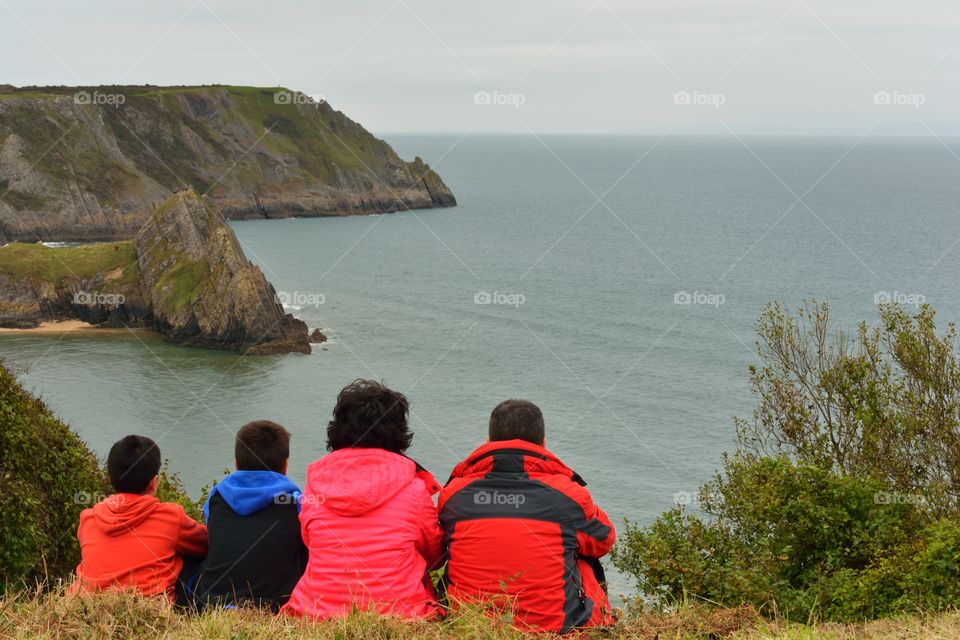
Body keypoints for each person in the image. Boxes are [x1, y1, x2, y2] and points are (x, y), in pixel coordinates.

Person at [438, 399, 616, 634]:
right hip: (555, 629)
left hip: (469, 625)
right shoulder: (569, 494)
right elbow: (603, 540)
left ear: (488, 442)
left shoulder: (453, 494)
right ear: (543, 444)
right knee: (583, 555)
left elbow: (437, 548)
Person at [282, 380, 443, 619]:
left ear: (337, 430)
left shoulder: (315, 486)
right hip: (400, 614)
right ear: (398, 432)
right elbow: (435, 556)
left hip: (316, 612)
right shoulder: (414, 489)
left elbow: (310, 541)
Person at [71, 435, 208, 602]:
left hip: (87, 606)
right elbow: (207, 543)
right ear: (154, 482)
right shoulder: (171, 517)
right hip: (150, 610)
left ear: (109, 479)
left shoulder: (88, 519)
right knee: (190, 557)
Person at [191, 420, 308, 611]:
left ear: (236, 463)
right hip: (274, 607)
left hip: (211, 604)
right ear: (285, 465)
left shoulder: (216, 498)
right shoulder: (295, 503)